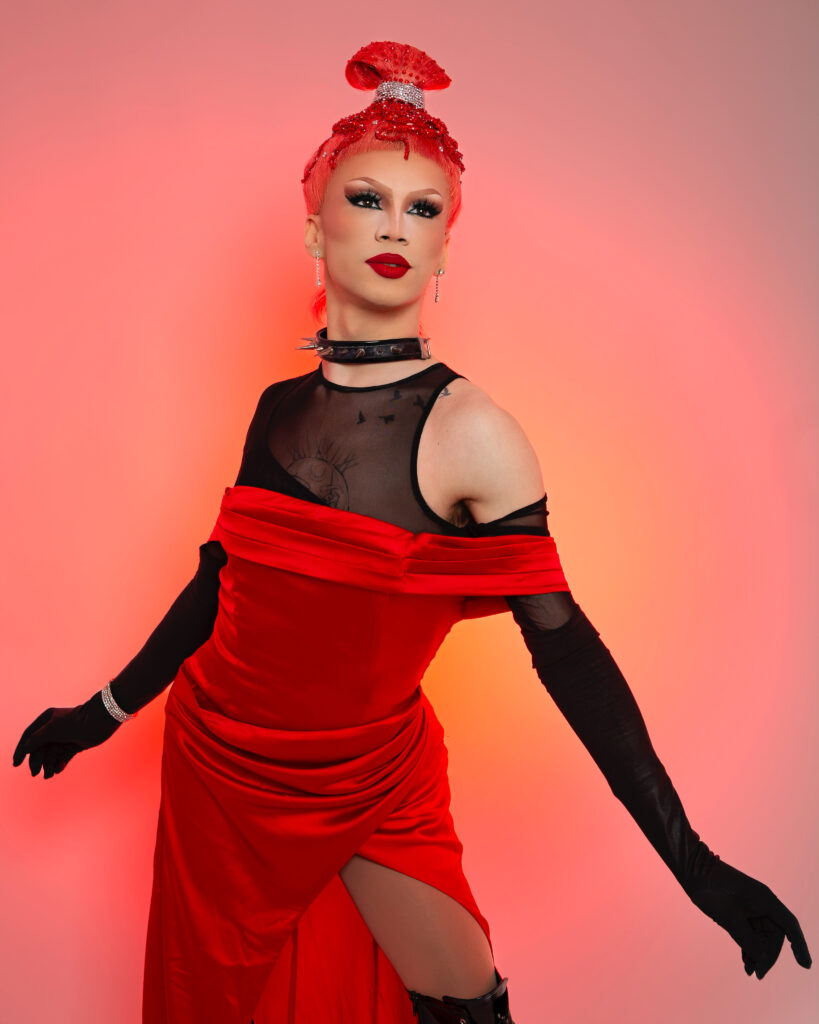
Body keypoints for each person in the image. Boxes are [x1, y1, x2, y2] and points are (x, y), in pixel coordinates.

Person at [12, 39, 812, 1024]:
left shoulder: (474, 431)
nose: (395, 224)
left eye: (422, 208)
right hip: (219, 765)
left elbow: (569, 653)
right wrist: (103, 709)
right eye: (366, 200)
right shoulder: (272, 409)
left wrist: (697, 865)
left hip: (367, 777)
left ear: (443, 248)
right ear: (314, 232)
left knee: (464, 997)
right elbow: (225, 581)